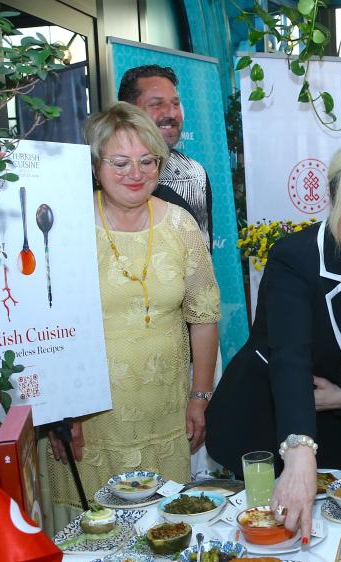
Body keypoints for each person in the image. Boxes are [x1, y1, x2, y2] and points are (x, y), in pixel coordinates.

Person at [205, 139, 341, 541]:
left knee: (335, 543)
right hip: (267, 422)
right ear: (333, 203)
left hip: (339, 429)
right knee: (263, 543)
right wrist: (299, 451)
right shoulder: (295, 259)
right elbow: (290, 358)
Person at [42, 102, 220, 512]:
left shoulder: (181, 224)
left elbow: (205, 317)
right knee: (93, 539)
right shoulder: (66, 224)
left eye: (147, 161)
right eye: (120, 162)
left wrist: (199, 397)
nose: (135, 174)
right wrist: (62, 412)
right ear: (95, 165)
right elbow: (49, 324)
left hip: (166, 413)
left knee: (163, 529)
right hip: (89, 422)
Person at [119, 65, 213, 244]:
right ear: (126, 112)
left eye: (175, 104)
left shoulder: (194, 173)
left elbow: (204, 254)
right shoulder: (106, 174)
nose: (171, 113)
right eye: (156, 104)